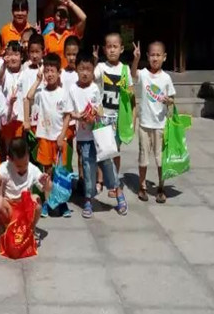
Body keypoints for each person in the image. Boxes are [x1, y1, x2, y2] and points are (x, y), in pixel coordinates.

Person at [64, 52, 128, 218]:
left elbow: (100, 109)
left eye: (88, 69)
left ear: (93, 71)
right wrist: (79, 116)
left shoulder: (95, 88)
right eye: (82, 69)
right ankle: (88, 199)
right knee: (87, 167)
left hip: (99, 135)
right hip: (84, 137)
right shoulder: (72, 89)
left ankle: (118, 193)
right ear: (76, 69)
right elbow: (70, 112)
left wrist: (95, 114)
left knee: (108, 164)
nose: (85, 73)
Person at [131, 41, 176, 203]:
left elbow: (172, 98)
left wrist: (168, 100)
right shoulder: (143, 74)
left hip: (160, 125)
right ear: (147, 56)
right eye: (152, 55)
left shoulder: (166, 78)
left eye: (158, 55)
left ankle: (161, 187)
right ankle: (142, 186)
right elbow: (133, 74)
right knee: (143, 157)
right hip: (144, 124)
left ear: (164, 57)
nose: (155, 58)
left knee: (160, 159)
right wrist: (136, 59)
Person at [26, 53, 69, 217]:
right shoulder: (41, 92)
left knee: (61, 173)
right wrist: (38, 80)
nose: (49, 74)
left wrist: (62, 136)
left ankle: (62, 203)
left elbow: (67, 116)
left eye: (53, 71)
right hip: (44, 137)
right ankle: (47, 202)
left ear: (59, 73)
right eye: (47, 71)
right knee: (47, 172)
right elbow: (28, 97)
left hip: (59, 139)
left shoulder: (63, 93)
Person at [94, 33, 133, 197]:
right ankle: (100, 180)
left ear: (121, 49)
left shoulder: (125, 69)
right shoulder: (100, 67)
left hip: (118, 116)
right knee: (102, 150)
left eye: (115, 47)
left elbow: (130, 92)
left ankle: (114, 182)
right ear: (104, 49)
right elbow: (92, 79)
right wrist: (94, 60)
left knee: (115, 150)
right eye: (109, 47)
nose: (112, 50)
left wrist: (132, 116)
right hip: (103, 114)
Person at [0, 137, 51, 244]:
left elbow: (47, 189)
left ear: (28, 156)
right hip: (9, 207)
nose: (23, 168)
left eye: (25, 163)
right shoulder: (5, 167)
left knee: (37, 200)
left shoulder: (32, 169)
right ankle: (6, 227)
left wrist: (46, 183)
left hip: (24, 208)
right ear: (9, 160)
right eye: (19, 166)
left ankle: (31, 228)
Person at [44, 0, 87, 69]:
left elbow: (83, 18)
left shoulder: (72, 34)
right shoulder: (47, 37)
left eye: (65, 16)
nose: (62, 19)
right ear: (54, 17)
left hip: (71, 73)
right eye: (59, 15)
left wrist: (70, 3)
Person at [0, 40, 25, 148]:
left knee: (18, 147)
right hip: (7, 117)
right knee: (8, 147)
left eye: (16, 55)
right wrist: (4, 64)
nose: (13, 58)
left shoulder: (25, 73)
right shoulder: (5, 72)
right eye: (10, 55)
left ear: (21, 57)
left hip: (20, 117)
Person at [61, 36, 81, 178]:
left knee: (81, 149)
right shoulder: (61, 73)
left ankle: (82, 178)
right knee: (67, 147)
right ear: (64, 54)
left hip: (80, 117)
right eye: (69, 54)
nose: (72, 57)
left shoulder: (82, 73)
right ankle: (66, 175)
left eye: (75, 54)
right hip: (67, 117)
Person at [20, 33, 46, 133]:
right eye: (32, 52)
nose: (34, 55)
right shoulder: (25, 72)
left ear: (43, 52)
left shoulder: (47, 68)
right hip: (34, 120)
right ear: (28, 52)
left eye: (37, 52)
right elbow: (26, 99)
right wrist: (26, 121)